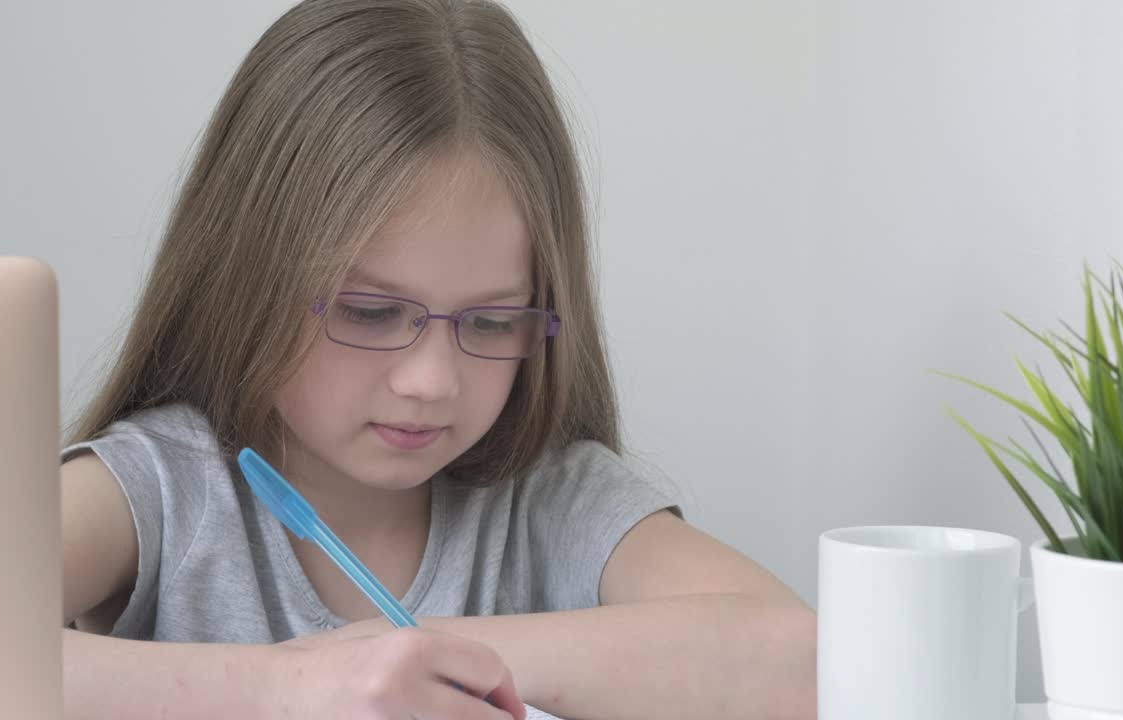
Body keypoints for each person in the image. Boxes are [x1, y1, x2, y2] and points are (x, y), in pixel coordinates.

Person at [60, 1, 816, 718]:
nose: (430, 382)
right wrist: (284, 692)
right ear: (252, 278)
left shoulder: (545, 503)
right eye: (369, 311)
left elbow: (802, 661)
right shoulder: (163, 487)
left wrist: (419, 660)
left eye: (491, 323)